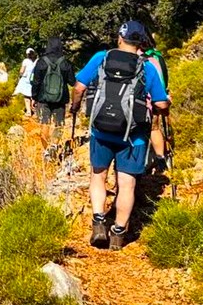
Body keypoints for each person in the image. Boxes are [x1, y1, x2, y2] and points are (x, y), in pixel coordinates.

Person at [70, 21, 169, 251]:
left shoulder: (101, 58)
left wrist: (74, 108)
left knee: (98, 176)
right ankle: (118, 233)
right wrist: (165, 106)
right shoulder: (147, 67)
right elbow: (161, 104)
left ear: (119, 38)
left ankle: (98, 222)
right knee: (127, 184)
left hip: (101, 131)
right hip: (134, 137)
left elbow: (79, 87)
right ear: (141, 42)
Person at [30, 37, 75, 152]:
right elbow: (72, 81)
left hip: (43, 98)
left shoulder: (41, 62)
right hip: (60, 99)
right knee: (59, 124)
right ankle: (54, 146)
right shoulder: (65, 62)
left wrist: (34, 97)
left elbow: (36, 82)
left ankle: (46, 151)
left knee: (45, 123)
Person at [143, 41, 171, 173]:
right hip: (157, 97)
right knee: (154, 127)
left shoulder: (142, 59)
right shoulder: (157, 57)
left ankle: (142, 162)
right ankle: (160, 158)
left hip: (143, 99)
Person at [14, 48, 37, 116]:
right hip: (34, 79)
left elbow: (22, 71)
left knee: (26, 96)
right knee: (33, 95)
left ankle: (29, 111)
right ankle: (35, 111)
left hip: (26, 79)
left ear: (27, 54)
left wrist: (20, 75)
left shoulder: (26, 61)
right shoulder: (36, 61)